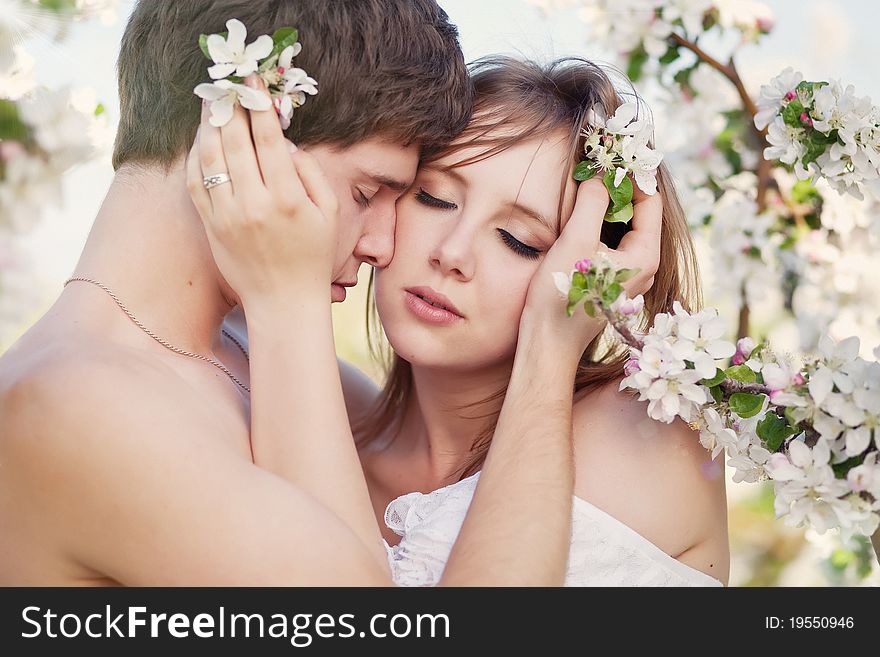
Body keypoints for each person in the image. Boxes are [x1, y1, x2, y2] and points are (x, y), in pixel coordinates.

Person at [0, 0, 651, 586]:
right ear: (242, 134)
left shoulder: (287, 371)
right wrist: (289, 301)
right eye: (368, 193)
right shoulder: (67, 406)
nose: (384, 245)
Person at [349, 58, 730, 586]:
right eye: (435, 198)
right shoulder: (328, 421)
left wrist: (551, 344)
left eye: (520, 241)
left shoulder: (641, 434)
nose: (452, 252)